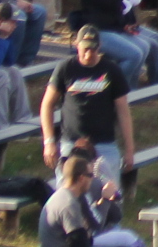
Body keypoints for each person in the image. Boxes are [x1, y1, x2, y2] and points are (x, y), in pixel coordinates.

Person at [38, 28, 135, 179]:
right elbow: (47, 105)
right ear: (77, 45)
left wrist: (129, 149)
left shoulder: (112, 70)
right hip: (72, 142)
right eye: (85, 49)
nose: (89, 54)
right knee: (68, 187)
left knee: (109, 189)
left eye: (93, 49)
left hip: (105, 143)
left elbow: (123, 111)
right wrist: (49, 142)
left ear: (99, 46)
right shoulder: (66, 68)